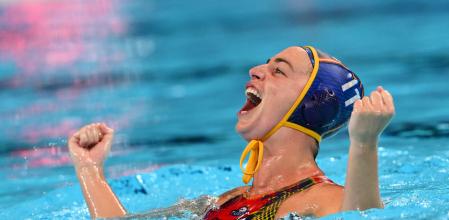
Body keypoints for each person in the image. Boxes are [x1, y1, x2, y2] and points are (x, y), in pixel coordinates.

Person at [68, 46, 395, 219]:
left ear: (310, 104)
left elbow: (362, 217)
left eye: (278, 70)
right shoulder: (226, 201)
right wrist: (90, 168)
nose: (255, 70)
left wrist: (364, 144)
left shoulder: (323, 199)